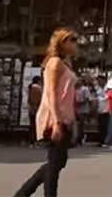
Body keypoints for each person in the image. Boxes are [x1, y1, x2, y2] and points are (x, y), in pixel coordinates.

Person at [15, 28, 79, 197]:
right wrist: (57, 122)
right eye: (72, 40)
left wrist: (73, 121)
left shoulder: (65, 63)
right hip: (54, 117)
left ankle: (22, 194)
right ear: (62, 43)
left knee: (58, 161)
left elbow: (68, 95)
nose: (75, 44)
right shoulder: (54, 63)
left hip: (65, 117)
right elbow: (50, 92)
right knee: (55, 162)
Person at [76, 77, 93, 145]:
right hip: (76, 109)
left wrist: (80, 103)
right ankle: (77, 137)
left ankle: (80, 138)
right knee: (77, 124)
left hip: (83, 109)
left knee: (81, 124)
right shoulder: (75, 89)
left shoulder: (85, 89)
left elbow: (87, 99)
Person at [28, 76, 43, 146]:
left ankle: (32, 141)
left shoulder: (30, 88)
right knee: (37, 126)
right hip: (37, 109)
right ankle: (36, 141)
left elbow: (29, 100)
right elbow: (39, 100)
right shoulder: (38, 89)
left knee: (32, 126)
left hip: (31, 109)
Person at [95, 76, 110, 147]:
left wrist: (99, 98)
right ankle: (100, 141)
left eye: (100, 80)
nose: (99, 82)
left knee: (104, 126)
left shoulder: (107, 88)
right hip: (100, 110)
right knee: (100, 126)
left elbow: (107, 98)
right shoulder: (98, 89)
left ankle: (104, 141)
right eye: (98, 81)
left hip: (106, 110)